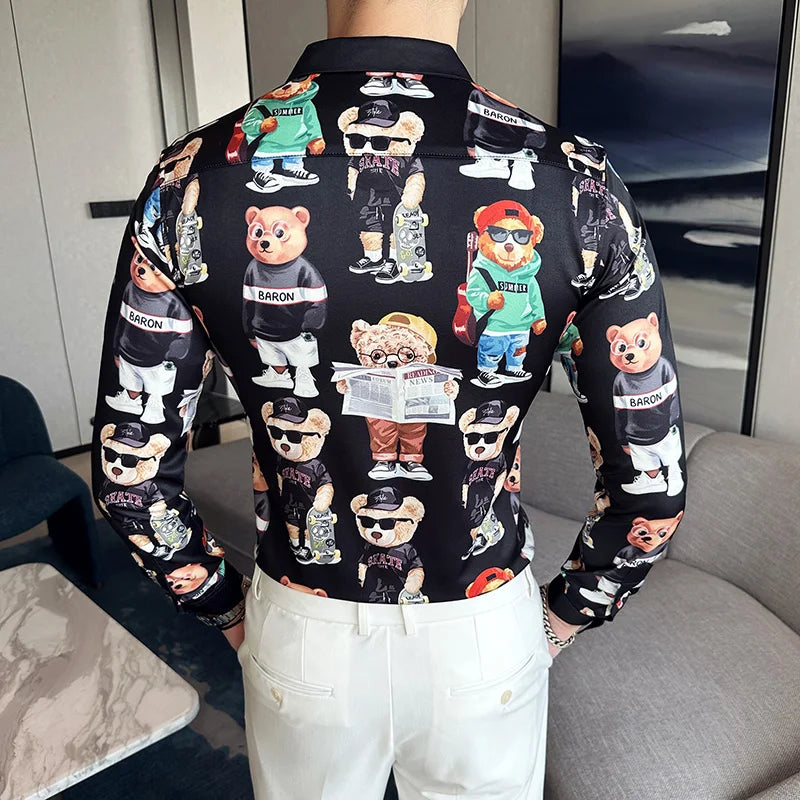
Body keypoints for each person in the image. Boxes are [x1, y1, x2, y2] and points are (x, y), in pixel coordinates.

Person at [90, 0, 688, 797]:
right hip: (483, 626)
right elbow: (652, 486)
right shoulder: (577, 182)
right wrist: (566, 615)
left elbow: (129, 477)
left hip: (302, 622)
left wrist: (223, 608)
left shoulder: (192, 177)